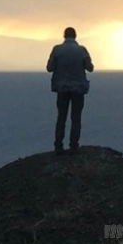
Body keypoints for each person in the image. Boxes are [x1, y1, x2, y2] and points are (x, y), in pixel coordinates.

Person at [46, 27, 94, 155]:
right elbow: (90, 68)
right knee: (76, 118)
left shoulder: (57, 50)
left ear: (64, 36)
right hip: (78, 89)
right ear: (75, 36)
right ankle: (74, 145)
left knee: (61, 117)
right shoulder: (81, 50)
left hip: (62, 88)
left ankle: (58, 145)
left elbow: (49, 68)